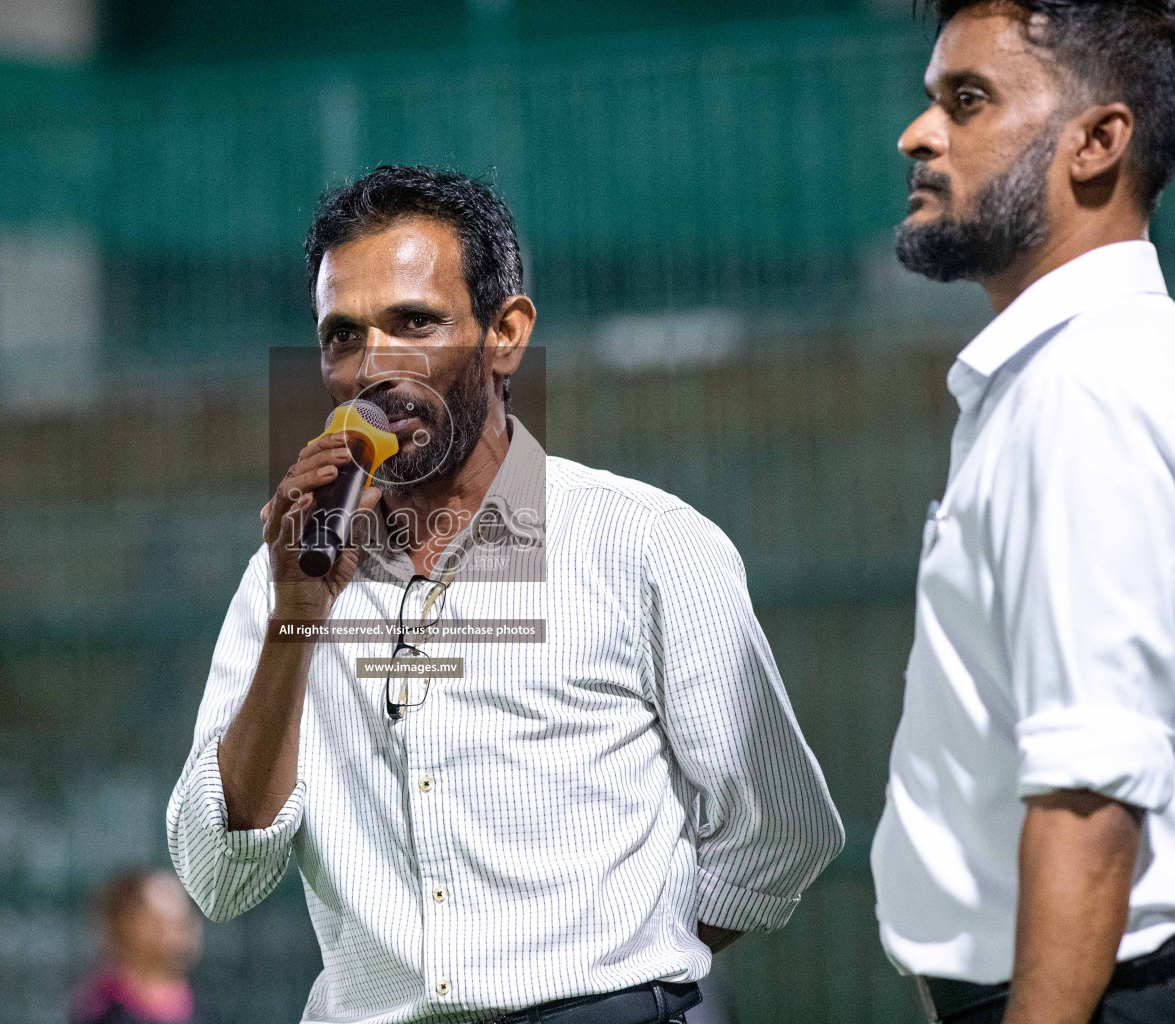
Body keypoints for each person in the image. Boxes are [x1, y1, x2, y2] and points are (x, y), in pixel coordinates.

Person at [167, 165, 843, 1024]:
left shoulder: (641, 542)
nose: (373, 366)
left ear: (505, 334)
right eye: (342, 336)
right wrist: (296, 621)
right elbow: (218, 875)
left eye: (414, 322)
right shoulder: (287, 573)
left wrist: (621, 968)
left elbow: (781, 830)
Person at [871, 3, 1175, 1023]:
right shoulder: (1091, 368)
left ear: (1098, 142)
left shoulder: (1081, 389)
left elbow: (1090, 796)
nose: (919, 134)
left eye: (968, 101)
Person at [70, 869, 214, 1024]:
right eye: (162, 920)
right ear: (126, 924)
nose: (181, 928)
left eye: (183, 915)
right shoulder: (100, 1009)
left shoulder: (203, 1009)